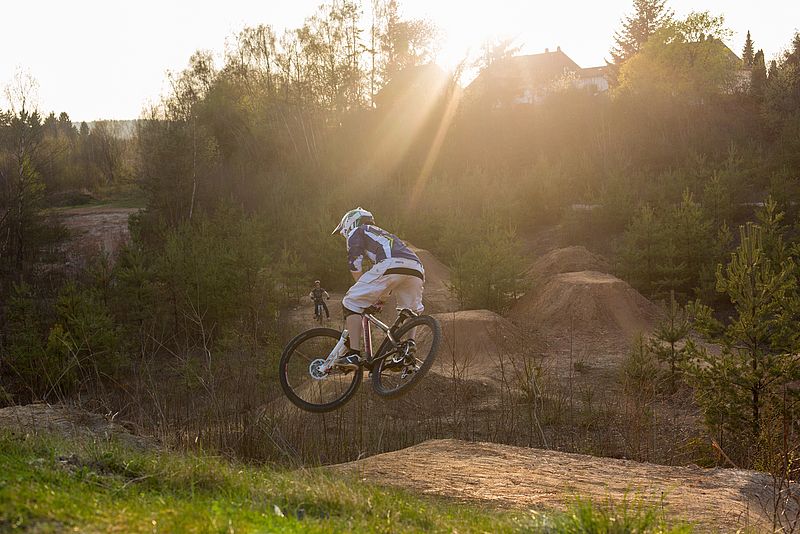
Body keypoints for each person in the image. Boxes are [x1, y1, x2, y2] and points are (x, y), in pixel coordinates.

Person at [331, 207, 425, 368]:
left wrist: (361, 287)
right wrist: (380, 299)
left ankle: (354, 354)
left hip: (391, 263)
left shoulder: (358, 230)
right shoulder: (384, 234)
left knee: (350, 302)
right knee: (410, 310)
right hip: (416, 268)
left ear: (349, 222)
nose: (344, 234)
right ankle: (408, 347)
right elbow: (388, 282)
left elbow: (354, 261)